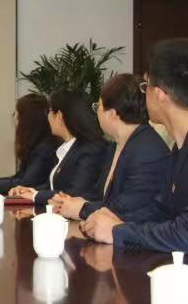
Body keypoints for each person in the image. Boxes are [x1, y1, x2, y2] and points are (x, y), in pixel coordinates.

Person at [83, 39, 188, 257]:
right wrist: (113, 219)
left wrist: (117, 231)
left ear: (159, 95)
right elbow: (162, 210)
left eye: (145, 86)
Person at [50, 74, 171, 222]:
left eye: (98, 107)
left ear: (112, 114)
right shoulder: (118, 145)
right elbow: (100, 194)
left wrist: (81, 209)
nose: (97, 113)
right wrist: (71, 201)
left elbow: (127, 208)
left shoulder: (146, 151)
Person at [9, 90, 107, 210]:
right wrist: (30, 190)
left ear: (59, 115)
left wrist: (35, 196)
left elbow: (75, 193)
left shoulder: (91, 150)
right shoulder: (67, 147)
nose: (47, 117)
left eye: (49, 112)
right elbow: (52, 186)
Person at [0, 94, 58, 194]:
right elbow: (19, 177)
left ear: (26, 119)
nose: (14, 118)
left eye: (16, 114)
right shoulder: (36, 144)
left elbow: (26, 183)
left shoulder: (45, 149)